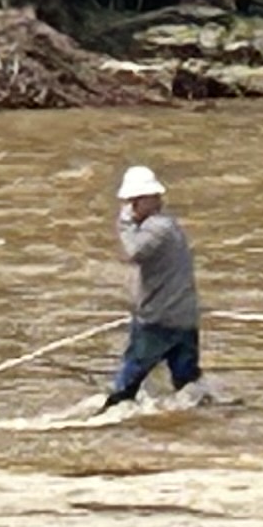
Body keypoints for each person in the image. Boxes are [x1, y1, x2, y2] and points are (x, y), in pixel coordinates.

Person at [93, 165, 206, 415]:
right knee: (187, 385)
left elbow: (134, 252)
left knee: (129, 380)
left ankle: (107, 417)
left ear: (151, 199)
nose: (131, 208)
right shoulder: (169, 225)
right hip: (184, 318)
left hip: (159, 321)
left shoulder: (156, 228)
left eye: (134, 202)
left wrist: (124, 223)